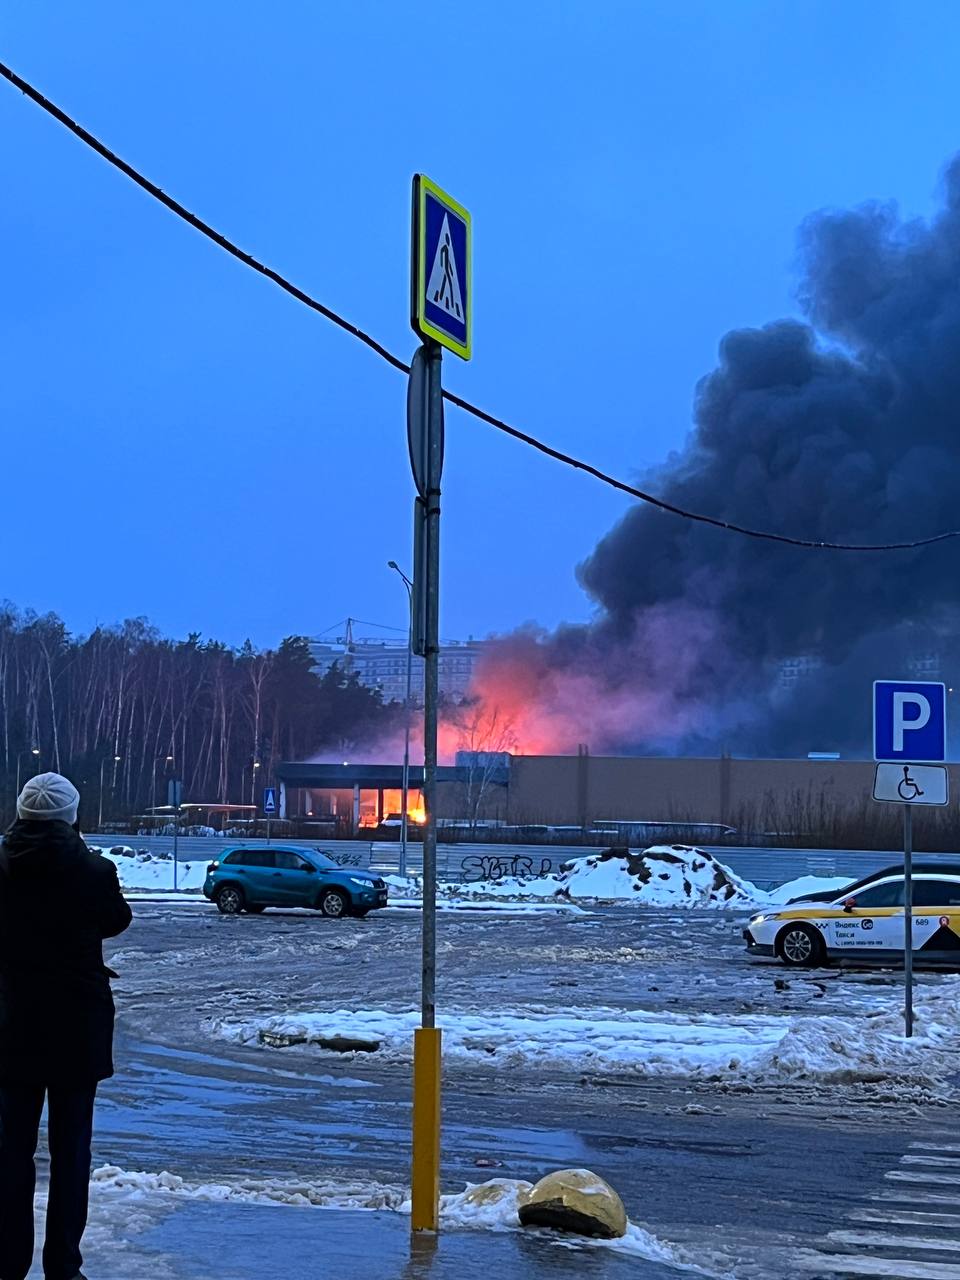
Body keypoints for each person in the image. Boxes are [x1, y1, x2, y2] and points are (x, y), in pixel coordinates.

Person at [0, 772, 132, 1280]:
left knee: (12, 1149)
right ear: (70, 816)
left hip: (12, 1023)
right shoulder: (93, 870)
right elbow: (116, 921)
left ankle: (8, 1261)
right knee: (71, 1150)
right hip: (76, 1025)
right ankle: (63, 1266)